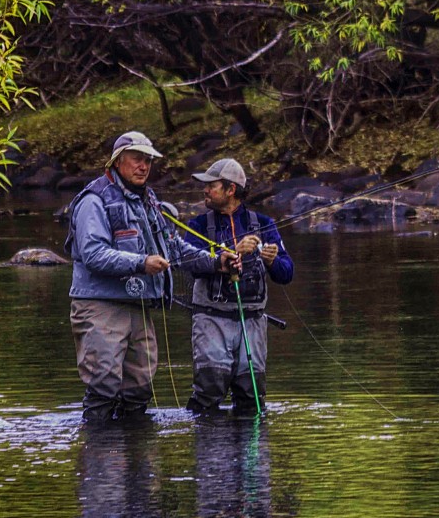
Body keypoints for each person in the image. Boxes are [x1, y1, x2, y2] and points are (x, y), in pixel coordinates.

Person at [65, 131, 238, 422]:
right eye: (137, 159)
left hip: (139, 306)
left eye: (148, 160)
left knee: (139, 389)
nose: (143, 166)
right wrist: (141, 263)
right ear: (118, 161)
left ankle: (134, 456)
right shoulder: (93, 201)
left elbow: (174, 248)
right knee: (104, 386)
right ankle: (98, 455)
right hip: (99, 307)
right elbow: (93, 254)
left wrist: (216, 262)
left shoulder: (148, 202)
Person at [183, 158, 293, 415]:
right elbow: (189, 264)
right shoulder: (198, 226)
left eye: (212, 186)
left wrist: (273, 260)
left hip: (253, 322)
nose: (206, 190)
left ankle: (249, 454)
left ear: (230, 190)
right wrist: (232, 251)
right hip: (211, 320)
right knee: (209, 390)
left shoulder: (264, 224)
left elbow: (287, 273)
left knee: (251, 395)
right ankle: (212, 450)